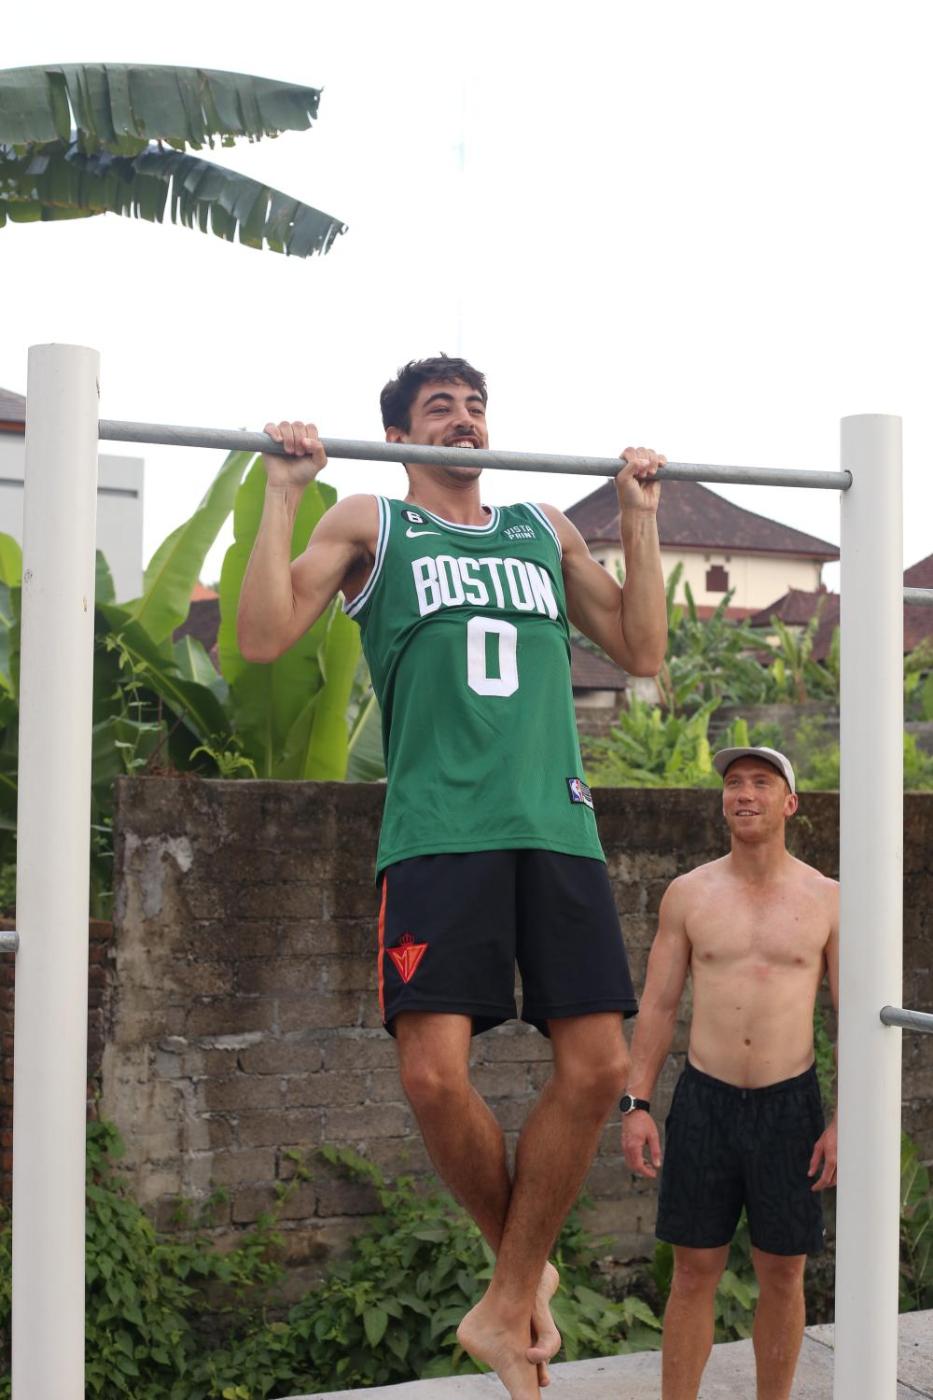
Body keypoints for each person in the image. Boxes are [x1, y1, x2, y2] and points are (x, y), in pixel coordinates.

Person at [237, 355, 668, 1400]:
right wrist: (284, 492)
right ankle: (519, 1277)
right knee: (432, 1076)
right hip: (437, 831)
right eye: (441, 409)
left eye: (476, 407)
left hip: (555, 823)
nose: (465, 422)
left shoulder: (541, 528)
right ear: (400, 435)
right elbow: (260, 636)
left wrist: (639, 515)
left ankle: (507, 1293)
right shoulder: (372, 523)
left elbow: (642, 648)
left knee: (599, 1067)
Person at [621, 745, 839, 1400]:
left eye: (761, 783)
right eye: (734, 783)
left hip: (789, 1103)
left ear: (789, 803)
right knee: (692, 1270)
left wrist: (844, 1118)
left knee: (783, 1272)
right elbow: (658, 1005)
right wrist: (635, 1104)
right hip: (704, 1101)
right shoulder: (689, 894)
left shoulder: (828, 899)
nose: (744, 793)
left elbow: (852, 1014)